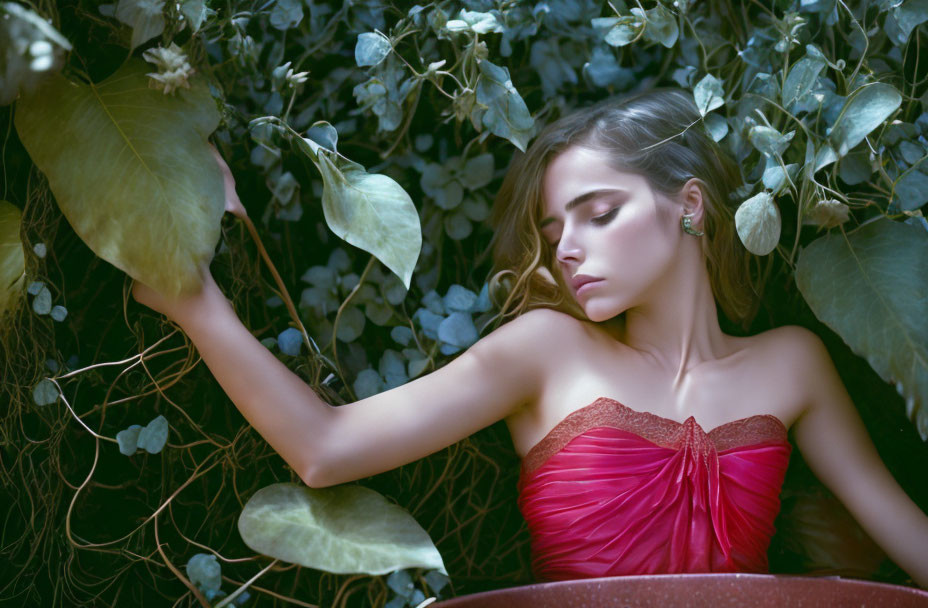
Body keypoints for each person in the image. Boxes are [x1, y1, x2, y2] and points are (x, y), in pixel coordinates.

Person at [131, 88, 928, 586]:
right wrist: (196, 301)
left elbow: (905, 536)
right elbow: (325, 447)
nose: (567, 247)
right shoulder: (547, 351)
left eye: (599, 212)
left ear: (689, 204)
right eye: (554, 229)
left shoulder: (793, 362)